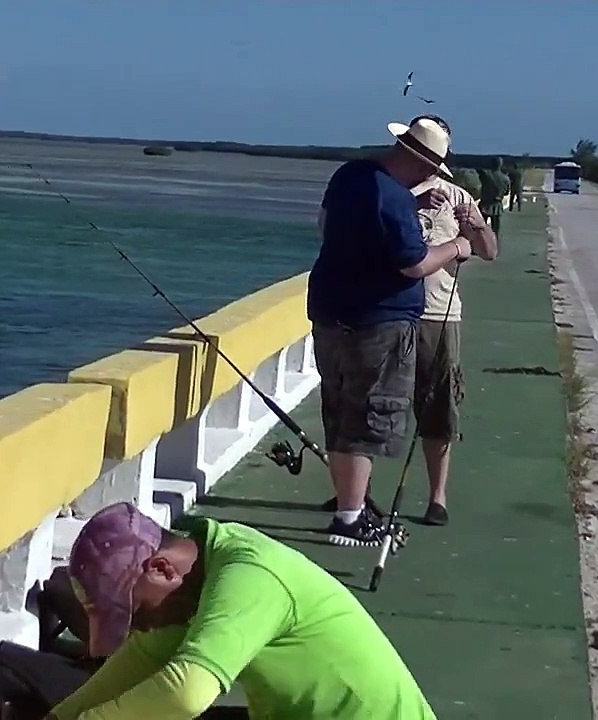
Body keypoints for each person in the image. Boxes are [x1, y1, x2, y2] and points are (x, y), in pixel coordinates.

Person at [45, 502, 437, 720]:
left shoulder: (250, 575)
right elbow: (136, 666)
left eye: (133, 614)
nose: (137, 629)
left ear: (162, 569)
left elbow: (185, 696)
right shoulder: (189, 585)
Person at [308, 116, 470, 547]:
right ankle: (349, 519)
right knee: (368, 416)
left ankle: (350, 505)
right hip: (379, 322)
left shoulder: (350, 176)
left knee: (339, 410)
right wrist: (456, 247)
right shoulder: (394, 199)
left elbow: (325, 227)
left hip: (329, 312)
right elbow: (413, 263)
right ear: (423, 163)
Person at [409, 119, 499, 526]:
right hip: (393, 312)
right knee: (379, 407)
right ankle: (360, 495)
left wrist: (473, 224)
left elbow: (489, 251)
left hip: (441, 314)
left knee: (439, 408)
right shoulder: (396, 192)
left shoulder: (458, 195)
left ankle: (437, 497)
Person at [476, 156, 509, 236]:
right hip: (497, 204)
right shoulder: (505, 178)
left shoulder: (486, 174)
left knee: (481, 227)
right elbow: (506, 192)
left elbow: (478, 172)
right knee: (495, 229)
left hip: (485, 204)